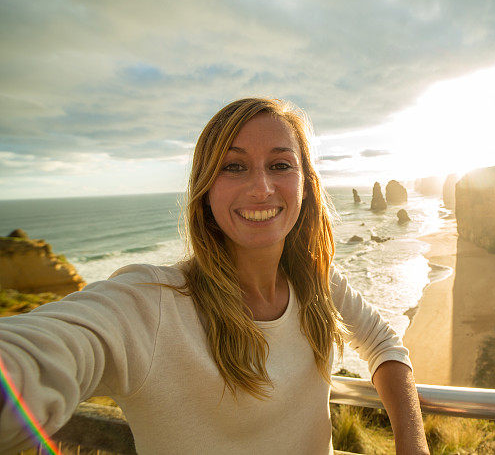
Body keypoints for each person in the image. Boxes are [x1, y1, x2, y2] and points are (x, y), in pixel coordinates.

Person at [0, 98, 430, 454]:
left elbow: (382, 343)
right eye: (234, 166)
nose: (261, 188)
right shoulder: (150, 304)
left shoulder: (315, 279)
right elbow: (40, 354)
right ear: (205, 192)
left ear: (306, 185)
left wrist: (413, 446)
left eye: (280, 165)